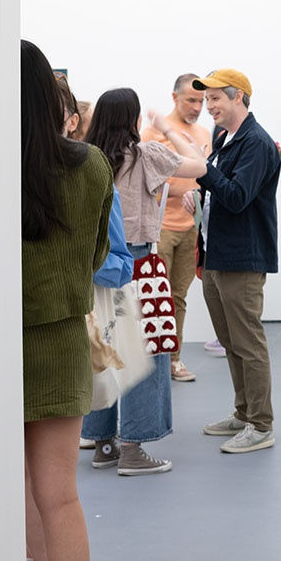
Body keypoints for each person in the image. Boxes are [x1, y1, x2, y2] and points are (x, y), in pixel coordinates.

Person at [21, 39, 113, 561]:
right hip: (60, 345)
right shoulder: (89, 164)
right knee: (59, 495)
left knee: (8, 490)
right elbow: (99, 252)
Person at [82, 87, 207, 475]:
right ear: (133, 118)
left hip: (95, 266)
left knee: (103, 351)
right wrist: (166, 129)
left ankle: (102, 443)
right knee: (144, 356)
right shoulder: (146, 155)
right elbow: (199, 165)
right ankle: (133, 448)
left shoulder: (87, 159)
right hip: (137, 263)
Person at [187, 69, 281, 453]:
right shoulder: (224, 137)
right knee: (230, 341)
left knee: (248, 342)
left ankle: (261, 424)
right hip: (217, 253)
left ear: (238, 97)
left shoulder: (256, 143)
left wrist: (202, 169)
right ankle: (244, 413)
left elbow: (238, 196)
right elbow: (219, 192)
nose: (208, 107)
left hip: (243, 256)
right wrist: (198, 193)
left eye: (215, 99)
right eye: (206, 100)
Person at [140, 73, 213, 382]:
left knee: (178, 296)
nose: (197, 107)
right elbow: (145, 178)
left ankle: (174, 359)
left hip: (190, 227)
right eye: (190, 101)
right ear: (175, 98)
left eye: (201, 101)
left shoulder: (203, 132)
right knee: (155, 296)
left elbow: (204, 175)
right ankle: (150, 362)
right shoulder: (152, 134)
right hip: (159, 227)